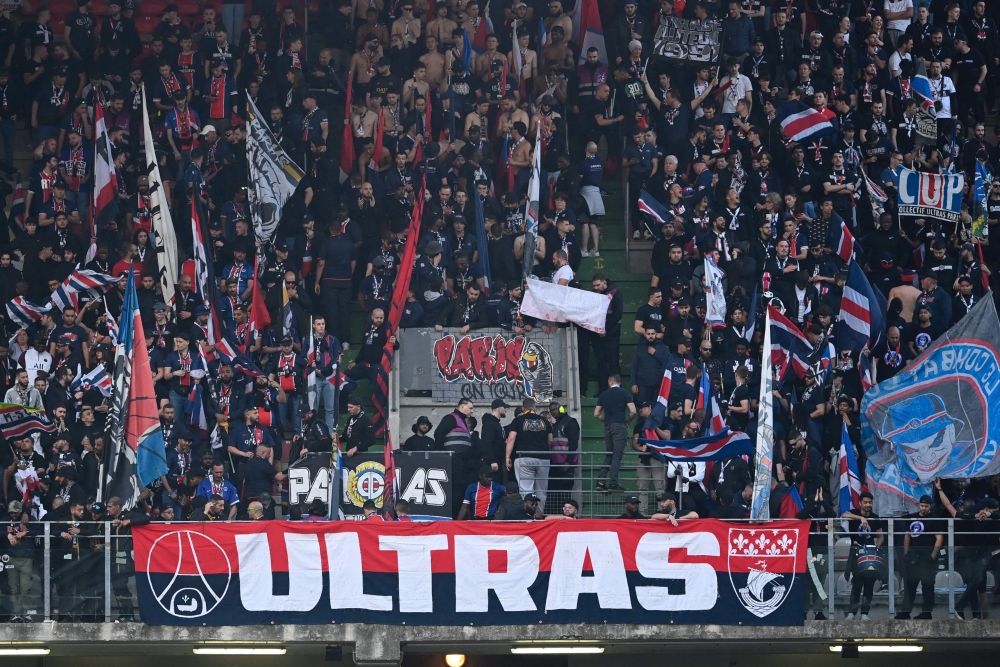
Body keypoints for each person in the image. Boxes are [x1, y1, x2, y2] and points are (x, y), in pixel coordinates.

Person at [894, 494, 943, 619]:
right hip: (913, 557)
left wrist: (932, 556)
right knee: (910, 585)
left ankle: (927, 612)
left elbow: (939, 538)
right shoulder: (912, 517)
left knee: (927, 586)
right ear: (919, 505)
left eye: (926, 506)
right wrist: (906, 553)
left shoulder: (934, 519)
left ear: (930, 506)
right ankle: (905, 611)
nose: (924, 508)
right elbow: (907, 535)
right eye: (922, 505)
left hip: (927, 557)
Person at [841, 492, 885, 620]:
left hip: (870, 552)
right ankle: (852, 613)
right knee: (857, 583)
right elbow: (844, 515)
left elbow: (880, 536)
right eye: (865, 502)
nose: (868, 505)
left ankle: (865, 613)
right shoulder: (854, 513)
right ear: (860, 503)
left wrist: (877, 547)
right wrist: (860, 518)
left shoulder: (875, 518)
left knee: (869, 584)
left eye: (870, 502)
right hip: (856, 552)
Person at [505, 397, 553, 510]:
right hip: (543, 458)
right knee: (541, 489)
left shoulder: (517, 421)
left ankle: (528, 515)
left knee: (526, 489)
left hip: (524, 458)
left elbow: (511, 439)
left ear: (523, 408)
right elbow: (550, 440)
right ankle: (539, 513)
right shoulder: (545, 421)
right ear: (535, 407)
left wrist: (507, 457)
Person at [594, 374, 636, 493]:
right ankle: (613, 483)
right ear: (619, 382)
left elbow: (596, 413)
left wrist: (606, 420)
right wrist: (628, 420)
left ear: (610, 382)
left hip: (608, 426)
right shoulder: (625, 393)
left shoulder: (604, 394)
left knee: (609, 454)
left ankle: (601, 481)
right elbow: (633, 411)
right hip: (619, 426)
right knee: (617, 455)